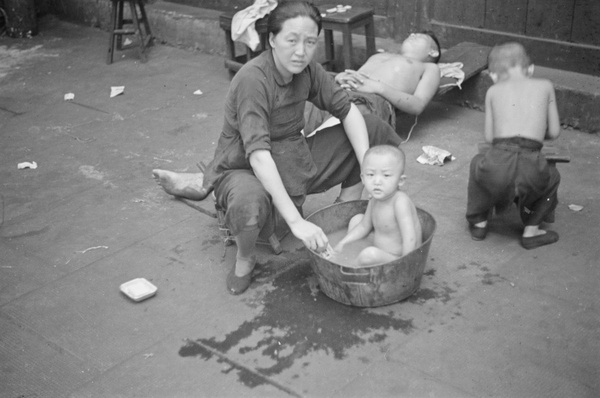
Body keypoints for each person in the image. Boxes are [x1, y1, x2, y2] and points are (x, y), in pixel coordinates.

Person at [152, 1, 402, 294]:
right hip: (243, 166)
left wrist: (368, 170)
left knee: (373, 130)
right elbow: (258, 156)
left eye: (310, 42)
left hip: (292, 156)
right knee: (248, 202)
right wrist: (297, 222)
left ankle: (344, 213)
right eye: (291, 40)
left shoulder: (309, 70)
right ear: (272, 40)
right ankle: (245, 258)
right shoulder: (253, 79)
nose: (301, 51)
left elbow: (347, 110)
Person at [465, 42, 561, 250]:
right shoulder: (545, 85)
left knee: (476, 164)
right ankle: (531, 230)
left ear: (494, 75)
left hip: (497, 163)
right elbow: (554, 132)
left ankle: (479, 222)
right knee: (553, 177)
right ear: (531, 69)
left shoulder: (493, 90)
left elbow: (490, 137)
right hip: (532, 165)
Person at [303, 31, 442, 135]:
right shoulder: (380, 56)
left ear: (433, 52)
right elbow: (358, 77)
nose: (413, 34)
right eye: (412, 33)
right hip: (342, 89)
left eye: (420, 36)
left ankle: (310, 146)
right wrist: (341, 77)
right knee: (306, 95)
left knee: (340, 124)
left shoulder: (429, 68)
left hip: (372, 101)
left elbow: (418, 105)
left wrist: (377, 87)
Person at [333, 145, 422, 266]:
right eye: (370, 175)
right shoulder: (375, 199)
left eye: (386, 175)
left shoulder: (400, 202)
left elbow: (410, 238)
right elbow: (364, 226)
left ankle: (350, 265)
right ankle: (351, 254)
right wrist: (342, 242)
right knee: (356, 219)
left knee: (369, 255)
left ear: (400, 181)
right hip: (379, 249)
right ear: (363, 179)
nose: (377, 182)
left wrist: (405, 264)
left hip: (397, 258)